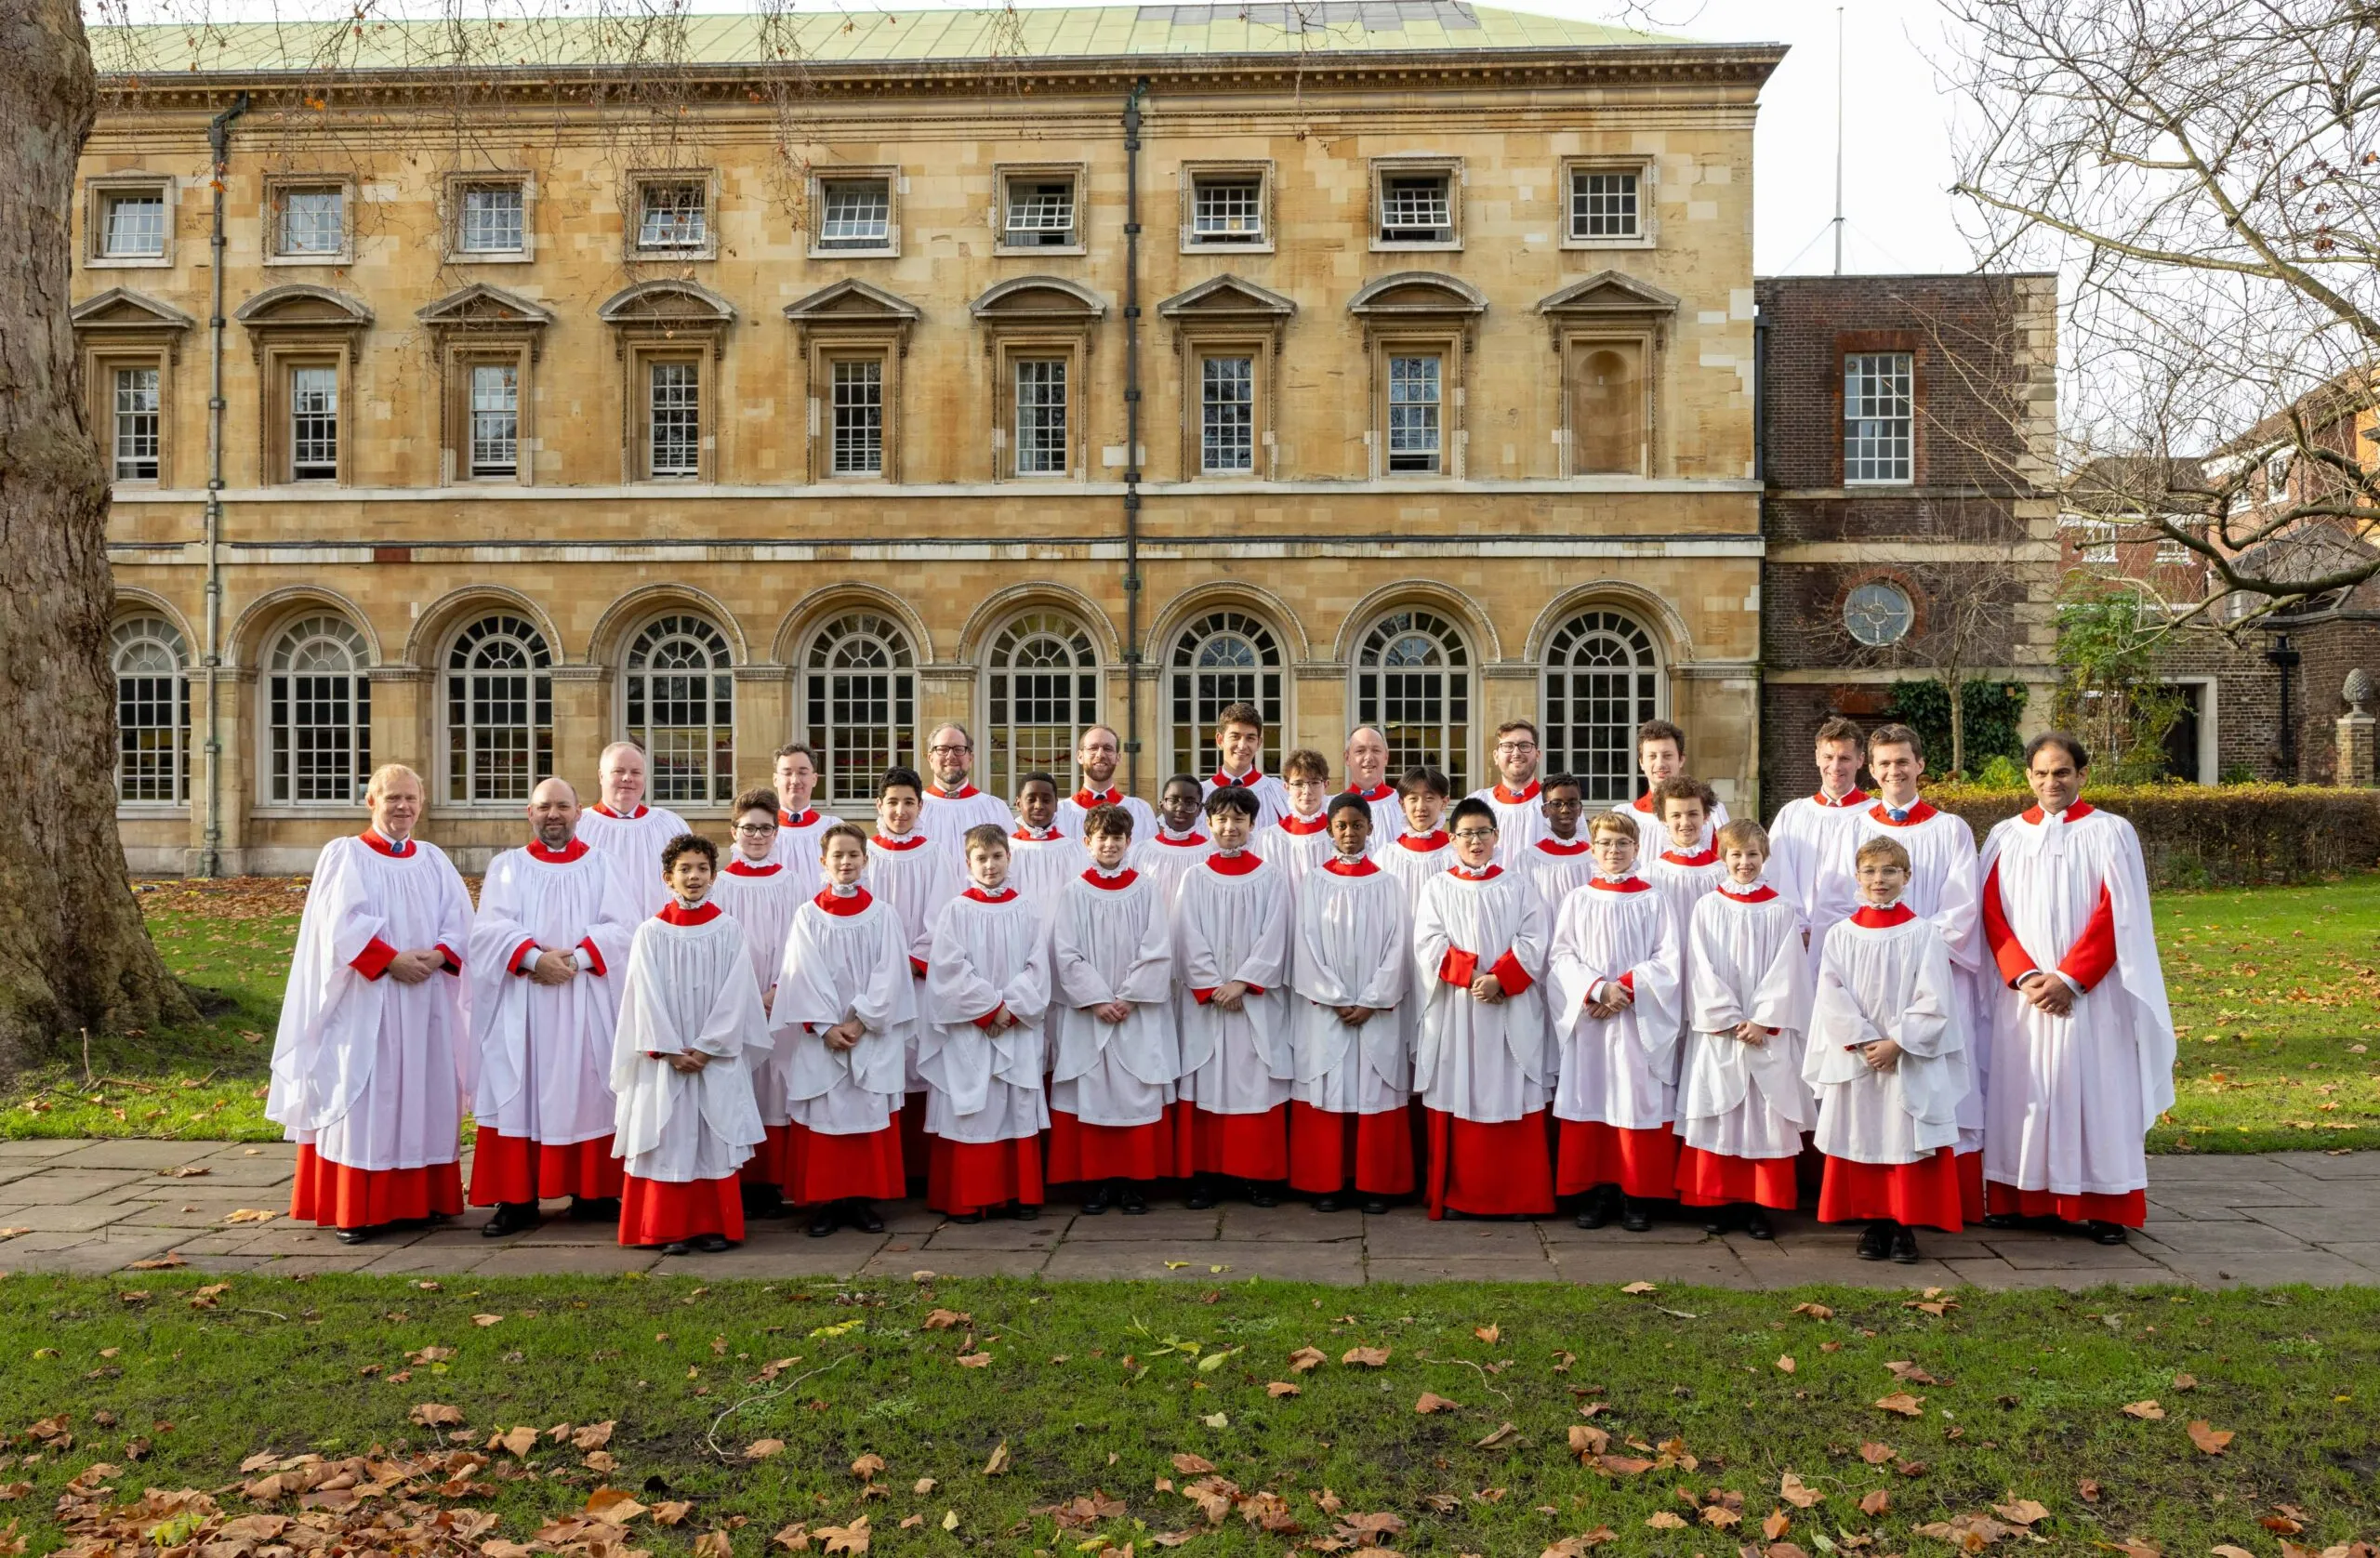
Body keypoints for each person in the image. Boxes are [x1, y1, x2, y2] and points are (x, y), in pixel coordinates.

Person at [1977, 732, 2175, 1246]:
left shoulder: (2111, 832)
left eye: (2062, 772)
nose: (2051, 782)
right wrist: (2024, 975)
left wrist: (2070, 978)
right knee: (2025, 1092)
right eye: (2041, 773)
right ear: (2027, 777)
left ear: (2082, 775)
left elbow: (2120, 913)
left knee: (2095, 1089)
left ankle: (2104, 1204)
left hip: (2092, 995)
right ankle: (2025, 1200)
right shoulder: (2004, 836)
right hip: (2022, 996)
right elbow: (1991, 913)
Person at [268, 764, 473, 1246]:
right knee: (367, 1093)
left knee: (425, 1093)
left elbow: (461, 918)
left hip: (426, 1002)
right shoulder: (347, 856)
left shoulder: (433, 859)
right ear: (370, 801)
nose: (402, 807)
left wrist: (442, 953)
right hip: (368, 1001)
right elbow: (336, 925)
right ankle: (358, 1207)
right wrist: (389, 960)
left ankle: (422, 1200)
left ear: (422, 804)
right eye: (392, 798)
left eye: (411, 798)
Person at [466, 777, 639, 1237]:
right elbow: (489, 930)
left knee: (589, 1087)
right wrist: (533, 959)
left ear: (580, 812)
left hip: (586, 999)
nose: (554, 815)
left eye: (563, 806)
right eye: (544, 807)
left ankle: (595, 1192)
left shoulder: (604, 865)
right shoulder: (508, 867)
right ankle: (517, 1201)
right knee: (519, 1087)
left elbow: (624, 928)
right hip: (525, 1001)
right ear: (530, 813)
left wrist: (577, 960)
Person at [1804, 835, 1970, 1264]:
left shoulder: (1923, 934)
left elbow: (1935, 998)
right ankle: (1872, 1225)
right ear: (1856, 878)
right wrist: (1862, 1040)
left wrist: (1897, 1042)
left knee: (1903, 1140)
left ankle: (1903, 1228)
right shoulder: (1841, 934)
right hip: (1858, 1057)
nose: (1880, 880)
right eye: (1871, 871)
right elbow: (1830, 992)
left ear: (1907, 877)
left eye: (1890, 871)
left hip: (1904, 1057)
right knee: (1864, 1137)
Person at [609, 833, 773, 1255]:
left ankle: (711, 1224)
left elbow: (738, 993)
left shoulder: (728, 929)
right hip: (665, 1057)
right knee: (668, 1134)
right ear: (668, 877)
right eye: (684, 869)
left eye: (702, 868)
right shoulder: (650, 932)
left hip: (711, 1057)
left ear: (714, 875)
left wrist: (708, 1046)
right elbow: (642, 992)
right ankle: (666, 1228)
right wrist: (666, 1047)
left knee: (709, 1133)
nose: (694, 876)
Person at [1851, 724, 1986, 1221]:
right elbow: (1839, 903)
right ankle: (1877, 1206)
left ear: (1920, 765)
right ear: (1871, 767)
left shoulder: (1950, 829)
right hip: (1871, 984)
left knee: (1930, 1086)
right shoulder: (1854, 826)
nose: (1894, 772)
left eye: (1902, 762)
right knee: (1875, 1092)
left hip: (1935, 980)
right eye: (1884, 763)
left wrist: (1915, 954)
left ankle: (1931, 1203)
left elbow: (1963, 905)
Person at [1412, 798, 1553, 1220]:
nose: (1476, 841)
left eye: (1483, 832)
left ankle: (1518, 1197)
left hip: (1507, 1006)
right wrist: (1473, 975)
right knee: (1460, 1088)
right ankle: (1458, 1195)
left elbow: (1534, 939)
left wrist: (1501, 980)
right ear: (1451, 839)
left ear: (1497, 836)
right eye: (1467, 834)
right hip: (1460, 1010)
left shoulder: (1519, 885)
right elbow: (1428, 943)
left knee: (1512, 1090)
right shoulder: (1438, 887)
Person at [771, 822, 913, 1238]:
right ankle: (828, 1203)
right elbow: (800, 973)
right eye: (838, 855)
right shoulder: (807, 915)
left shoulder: (883, 915)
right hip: (824, 1039)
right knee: (827, 1118)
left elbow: (891, 974)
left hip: (869, 1034)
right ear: (823, 861)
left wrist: (861, 1021)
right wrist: (824, 1025)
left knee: (866, 1115)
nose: (846, 862)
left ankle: (861, 1200)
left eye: (853, 855)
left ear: (866, 860)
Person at [1546, 809, 1682, 1233]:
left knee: (1634, 1100)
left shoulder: (1654, 899)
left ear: (1637, 848)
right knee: (1593, 1099)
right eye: (1605, 842)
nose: (1613, 850)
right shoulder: (1578, 898)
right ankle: (1594, 1192)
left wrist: (1622, 988)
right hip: (1590, 1020)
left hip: (1636, 1020)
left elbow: (1668, 958)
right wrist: (1595, 989)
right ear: (1592, 847)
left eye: (1622, 843)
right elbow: (1561, 956)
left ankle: (1635, 1194)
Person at [1676, 819, 1812, 1239]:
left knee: (1763, 1116)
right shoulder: (1708, 907)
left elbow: (1790, 970)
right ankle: (1720, 1201)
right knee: (1721, 1110)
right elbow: (1699, 967)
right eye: (1736, 854)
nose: (1745, 863)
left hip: (1764, 1032)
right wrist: (1730, 1017)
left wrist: (1764, 1020)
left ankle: (1759, 1205)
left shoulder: (1781, 909)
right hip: (1723, 1032)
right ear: (1722, 856)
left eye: (1753, 854)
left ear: (1765, 856)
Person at [1047, 803, 1179, 1214]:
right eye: (1101, 837)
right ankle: (1098, 1183)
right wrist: (1098, 999)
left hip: (1135, 1011)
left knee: (1134, 1093)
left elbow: (1157, 947)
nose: (1109, 844)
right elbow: (1065, 953)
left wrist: (1129, 996)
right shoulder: (1074, 892)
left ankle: (1133, 1183)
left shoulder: (1145, 888)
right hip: (1093, 1012)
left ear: (1128, 842)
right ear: (1087, 842)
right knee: (1094, 1095)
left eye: (1116, 837)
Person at [1287, 793, 1414, 1213]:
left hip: (1374, 1010)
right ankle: (1327, 1181)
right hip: (1329, 1010)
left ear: (1370, 829)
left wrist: (1373, 999)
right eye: (1341, 826)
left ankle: (1376, 1184)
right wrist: (1337, 998)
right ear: (1329, 830)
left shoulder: (1388, 884)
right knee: (1331, 1089)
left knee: (1373, 1090)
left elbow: (1399, 947)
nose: (1349, 833)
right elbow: (1304, 943)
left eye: (1357, 825)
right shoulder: (1314, 882)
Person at [919, 824, 1052, 1221]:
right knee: (974, 1106)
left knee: (1014, 1103)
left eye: (997, 857)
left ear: (1009, 858)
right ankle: (969, 1196)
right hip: (972, 1030)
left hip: (1014, 1023)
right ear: (968, 863)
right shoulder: (956, 910)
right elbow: (948, 969)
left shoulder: (1027, 908)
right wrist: (989, 1009)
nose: (990, 865)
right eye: (981, 858)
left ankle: (1018, 1194)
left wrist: (1011, 1008)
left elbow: (1038, 966)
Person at [1173, 786, 1296, 1208]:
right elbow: (1186, 936)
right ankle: (1206, 1177)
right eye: (1222, 820)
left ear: (1252, 825)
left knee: (1253, 1084)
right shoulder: (1195, 878)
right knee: (1209, 1081)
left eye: (1238, 820)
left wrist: (1242, 982)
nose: (1230, 827)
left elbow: (1275, 936)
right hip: (1210, 1004)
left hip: (1252, 1003)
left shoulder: (1270, 878)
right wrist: (1213, 986)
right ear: (1209, 825)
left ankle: (1256, 1176)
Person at [709, 788, 809, 1214]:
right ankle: (742, 1179)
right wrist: (747, 996)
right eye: (748, 828)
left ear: (777, 831)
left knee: (776, 1085)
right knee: (740, 1082)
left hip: (778, 998)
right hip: (736, 1000)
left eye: (765, 828)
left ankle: (773, 1180)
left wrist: (776, 990)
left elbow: (800, 943)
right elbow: (714, 947)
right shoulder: (721, 884)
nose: (756, 836)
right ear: (734, 831)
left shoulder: (791, 882)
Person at [866, 765, 962, 1182]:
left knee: (920, 1064)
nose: (900, 811)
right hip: (876, 984)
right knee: (880, 1066)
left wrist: (913, 962)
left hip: (921, 981)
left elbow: (943, 916)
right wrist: (885, 968)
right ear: (879, 806)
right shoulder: (863, 854)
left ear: (921, 807)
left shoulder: (936, 854)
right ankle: (884, 1170)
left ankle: (920, 1172)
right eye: (893, 802)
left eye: (909, 803)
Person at [1765, 717, 1871, 970]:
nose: (1835, 766)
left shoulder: (1874, 816)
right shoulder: (1793, 814)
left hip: (1858, 939)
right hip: (1800, 941)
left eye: (1845, 758)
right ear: (1816, 757)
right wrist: (1797, 927)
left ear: (1860, 760)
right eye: (1828, 757)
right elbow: (1777, 874)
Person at [577, 741, 692, 918]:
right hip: (596, 939)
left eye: (636, 772)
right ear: (601, 776)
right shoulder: (578, 825)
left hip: (660, 934)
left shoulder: (670, 825)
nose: (627, 778)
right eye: (618, 771)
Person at [1643, 776, 1726, 965]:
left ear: (1706, 816)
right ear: (1663, 819)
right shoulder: (1649, 876)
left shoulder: (1724, 874)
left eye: (1693, 814)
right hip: (1667, 966)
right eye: (1676, 815)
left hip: (1711, 964)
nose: (1685, 822)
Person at [1630, 720, 1729, 852]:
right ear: (1641, 762)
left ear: (1681, 760)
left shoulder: (1711, 811)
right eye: (1652, 756)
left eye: (1667, 756)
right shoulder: (1627, 815)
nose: (1660, 764)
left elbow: (1726, 862)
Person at [1056, 723, 1158, 842]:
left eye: (1108, 748)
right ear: (1080, 756)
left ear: (1118, 758)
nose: (1100, 754)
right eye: (1093, 748)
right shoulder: (1060, 813)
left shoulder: (1141, 811)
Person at [919, 723, 1012, 852]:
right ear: (930, 758)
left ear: (970, 758)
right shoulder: (915, 809)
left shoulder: (995, 808)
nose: (950, 756)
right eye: (942, 749)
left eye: (959, 749)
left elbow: (1012, 862)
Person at [1127, 773, 1215, 909]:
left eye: (1190, 803)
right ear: (1162, 805)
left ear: (1200, 810)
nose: (1180, 808)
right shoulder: (1140, 852)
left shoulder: (1212, 854)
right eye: (1173, 800)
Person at [1201, 701, 1289, 833]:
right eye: (1235, 737)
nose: (1242, 745)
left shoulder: (1279, 793)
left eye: (1250, 738)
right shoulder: (1199, 796)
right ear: (1220, 740)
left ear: (1259, 743)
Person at [1374, 766, 1453, 908]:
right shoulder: (1386, 856)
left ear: (1444, 802)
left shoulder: (1456, 853)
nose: (1420, 806)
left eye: (1429, 798)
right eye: (1413, 798)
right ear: (1402, 804)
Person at [1468, 719, 1547, 861]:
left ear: (1537, 755)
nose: (1516, 753)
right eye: (1508, 746)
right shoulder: (1477, 803)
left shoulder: (1556, 804)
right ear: (1496, 756)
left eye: (1524, 745)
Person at [1004, 771, 1077, 918]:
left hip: (1060, 927)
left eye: (1046, 800)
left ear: (1056, 804)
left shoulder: (1072, 849)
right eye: (1031, 799)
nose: (1038, 806)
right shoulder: (1007, 849)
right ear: (1018, 803)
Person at [1520, 774, 1596, 915]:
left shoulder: (1595, 857)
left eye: (1572, 803)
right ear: (1544, 811)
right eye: (1556, 804)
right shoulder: (1528, 859)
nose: (1565, 810)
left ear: (1580, 809)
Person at [761, 743, 832, 891]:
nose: (795, 780)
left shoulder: (832, 829)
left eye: (802, 772)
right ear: (775, 779)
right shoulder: (760, 831)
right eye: (787, 773)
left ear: (814, 779)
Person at [1270, 748, 1337, 887]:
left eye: (1314, 782)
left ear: (1326, 785)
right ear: (1286, 787)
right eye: (1299, 783)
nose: (1307, 791)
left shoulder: (1338, 835)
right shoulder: (1272, 838)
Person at [1341, 725, 1406, 843]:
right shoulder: (1335, 807)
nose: (1369, 757)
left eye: (1376, 750)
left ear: (1386, 757)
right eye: (1360, 751)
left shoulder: (1403, 804)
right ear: (1347, 758)